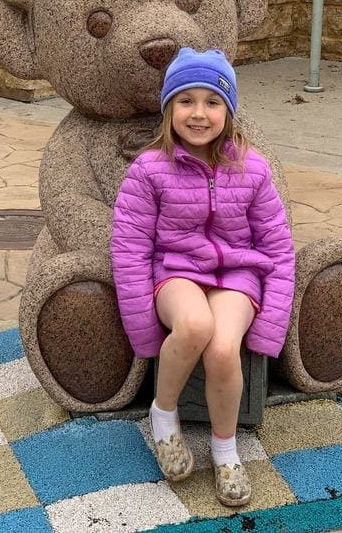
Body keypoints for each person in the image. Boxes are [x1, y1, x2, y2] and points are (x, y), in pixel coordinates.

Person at [111, 47, 296, 507]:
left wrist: (271, 327)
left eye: (212, 101)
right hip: (174, 271)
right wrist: (143, 331)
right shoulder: (148, 170)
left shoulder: (252, 169)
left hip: (237, 273)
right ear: (168, 108)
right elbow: (130, 250)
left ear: (228, 111)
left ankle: (225, 448)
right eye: (186, 101)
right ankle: (164, 415)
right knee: (194, 325)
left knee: (220, 346)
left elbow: (278, 247)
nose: (199, 113)